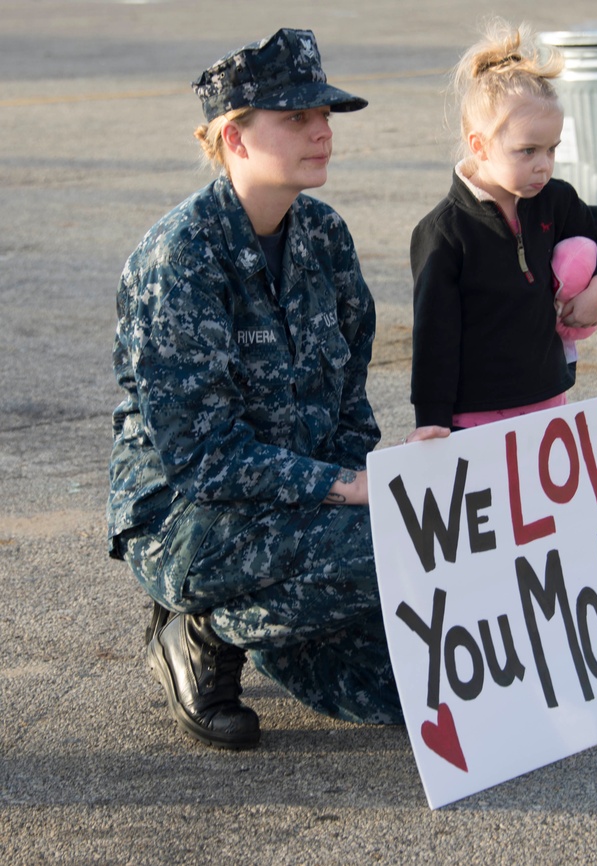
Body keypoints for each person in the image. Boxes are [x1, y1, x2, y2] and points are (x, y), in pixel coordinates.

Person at [107, 28, 447, 750]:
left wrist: (360, 472)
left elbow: (350, 402)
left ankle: (260, 615)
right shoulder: (183, 259)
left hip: (295, 506)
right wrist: (344, 490)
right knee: (387, 546)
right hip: (186, 515)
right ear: (234, 138)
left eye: (323, 116)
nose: (321, 131)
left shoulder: (324, 237)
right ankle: (197, 623)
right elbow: (205, 460)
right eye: (295, 118)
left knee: (409, 691)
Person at [409, 18, 597, 430]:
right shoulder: (443, 233)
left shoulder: (554, 200)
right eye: (527, 151)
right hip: (474, 417)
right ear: (480, 145)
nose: (543, 165)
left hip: (548, 402)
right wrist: (432, 420)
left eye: (551, 149)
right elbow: (433, 339)